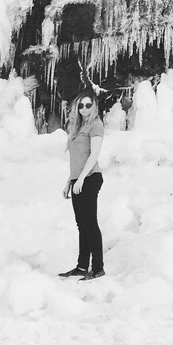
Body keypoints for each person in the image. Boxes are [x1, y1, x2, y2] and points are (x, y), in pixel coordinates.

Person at [58, 91, 105, 280]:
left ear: (94, 106)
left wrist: (82, 179)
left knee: (90, 224)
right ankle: (82, 266)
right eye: (81, 105)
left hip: (91, 178)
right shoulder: (78, 127)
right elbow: (77, 159)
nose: (84, 108)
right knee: (81, 225)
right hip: (78, 180)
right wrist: (70, 181)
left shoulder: (96, 125)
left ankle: (98, 268)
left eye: (88, 105)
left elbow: (94, 154)